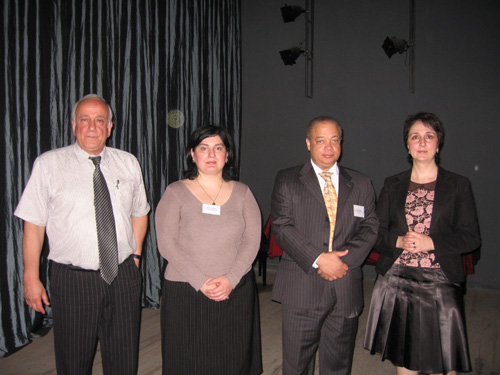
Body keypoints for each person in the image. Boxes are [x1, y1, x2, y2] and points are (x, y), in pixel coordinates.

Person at [14, 94, 150, 375]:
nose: (92, 126)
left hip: (123, 276)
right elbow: (34, 225)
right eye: (85, 120)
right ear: (74, 125)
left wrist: (135, 256)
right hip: (73, 279)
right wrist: (30, 276)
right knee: (73, 362)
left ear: (110, 127)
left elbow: (140, 212)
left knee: (124, 361)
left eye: (100, 120)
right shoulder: (49, 165)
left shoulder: (128, 163)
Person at [364, 112, 481, 375]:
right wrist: (397, 240)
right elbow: (375, 230)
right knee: (404, 360)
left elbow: (471, 236)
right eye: (415, 137)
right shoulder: (392, 184)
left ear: (438, 144)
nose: (422, 142)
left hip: (440, 282)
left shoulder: (458, 185)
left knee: (443, 361)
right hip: (397, 282)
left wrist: (432, 242)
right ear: (407, 145)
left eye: (429, 136)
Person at [271, 116, 379, 375]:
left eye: (335, 140)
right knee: (297, 366)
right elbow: (282, 227)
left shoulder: (361, 182)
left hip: (345, 286)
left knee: (339, 365)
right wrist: (319, 258)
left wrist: (342, 262)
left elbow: (370, 226)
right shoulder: (287, 179)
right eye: (321, 141)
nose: (329, 147)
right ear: (308, 143)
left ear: (341, 143)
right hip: (301, 287)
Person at [155, 125, 263, 375]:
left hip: (234, 290)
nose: (211, 154)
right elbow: (167, 243)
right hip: (186, 291)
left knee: (232, 358)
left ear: (227, 155)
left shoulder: (243, 193)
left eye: (218, 148)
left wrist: (231, 279)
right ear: (193, 154)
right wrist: (201, 281)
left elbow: (252, 240)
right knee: (188, 360)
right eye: (204, 148)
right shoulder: (175, 192)